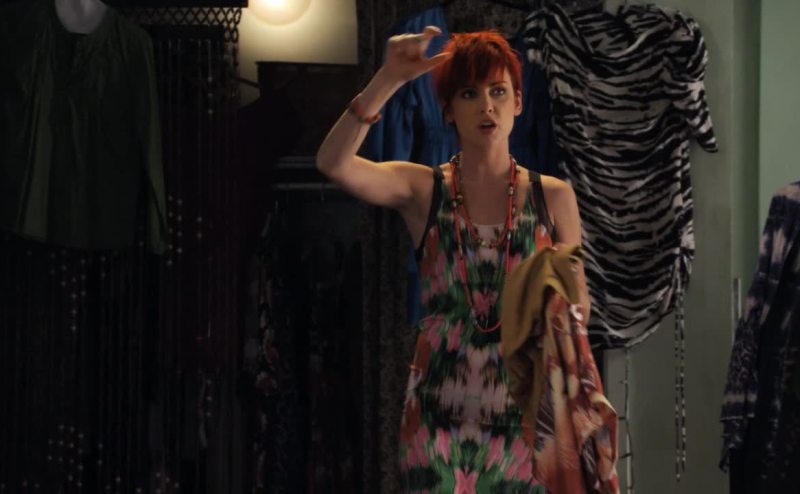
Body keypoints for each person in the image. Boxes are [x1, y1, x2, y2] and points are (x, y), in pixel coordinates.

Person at [317, 26, 590, 493]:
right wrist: (387, 80)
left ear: (518, 103)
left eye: (498, 91)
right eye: (469, 93)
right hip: (438, 414)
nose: (486, 106)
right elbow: (333, 163)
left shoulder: (554, 197)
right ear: (447, 109)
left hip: (527, 418)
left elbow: (580, 311)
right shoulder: (424, 189)